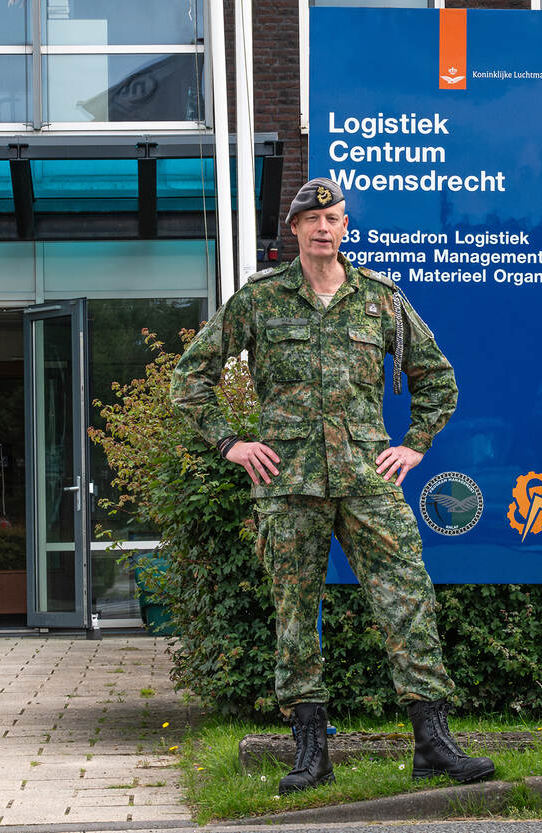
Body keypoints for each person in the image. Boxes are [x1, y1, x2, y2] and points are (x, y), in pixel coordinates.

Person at [170, 177, 494, 793]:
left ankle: (433, 744)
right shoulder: (260, 299)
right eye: (312, 219)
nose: (324, 228)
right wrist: (230, 443)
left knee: (408, 599)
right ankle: (311, 753)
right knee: (295, 613)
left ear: (346, 226)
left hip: (367, 478)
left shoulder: (380, 299)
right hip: (288, 481)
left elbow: (437, 378)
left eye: (334, 218)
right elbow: (190, 379)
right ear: (294, 228)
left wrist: (415, 443)